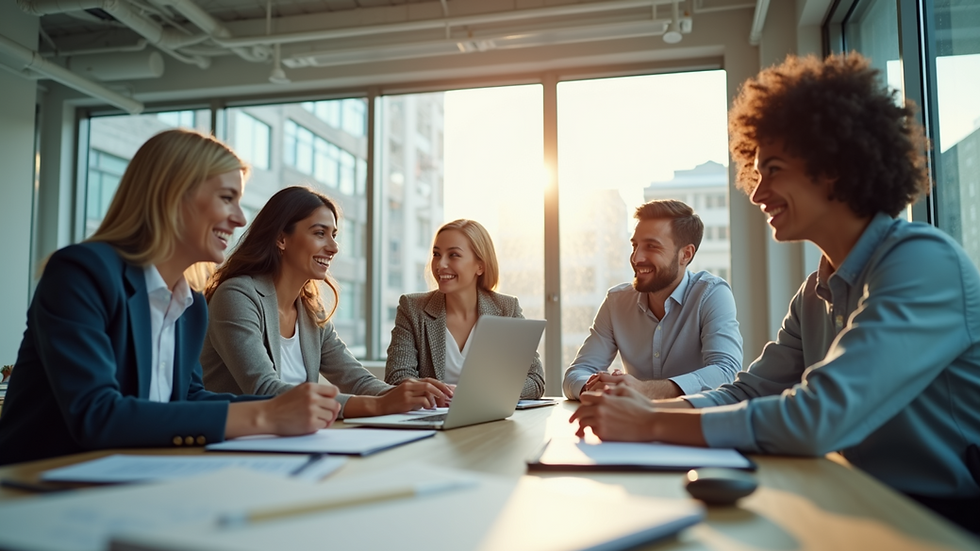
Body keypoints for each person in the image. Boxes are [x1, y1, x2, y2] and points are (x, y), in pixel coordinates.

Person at [569, 53, 980, 532]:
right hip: (858, 499)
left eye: (775, 170)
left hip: (946, 520)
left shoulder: (923, 262)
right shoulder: (814, 293)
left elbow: (816, 416)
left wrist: (649, 422)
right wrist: (643, 409)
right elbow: (750, 389)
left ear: (835, 166)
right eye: (758, 172)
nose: (758, 192)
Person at [0, 129, 341, 466]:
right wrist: (265, 415)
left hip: (137, 477)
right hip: (38, 488)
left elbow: (187, 399)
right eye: (227, 198)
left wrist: (290, 408)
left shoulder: (190, 307)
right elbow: (97, 413)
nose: (239, 218)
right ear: (173, 195)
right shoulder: (81, 273)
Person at [202, 186, 453, 417]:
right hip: (232, 445)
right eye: (320, 233)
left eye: (334, 235)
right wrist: (378, 404)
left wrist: (411, 394)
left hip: (290, 439)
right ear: (281, 238)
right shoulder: (237, 295)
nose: (333, 247)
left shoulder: (310, 310)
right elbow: (264, 390)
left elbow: (357, 380)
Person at [562, 199, 743, 400]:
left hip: (694, 425)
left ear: (686, 254)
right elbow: (576, 374)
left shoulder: (711, 294)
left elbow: (725, 371)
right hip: (633, 424)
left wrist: (645, 390)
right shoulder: (616, 302)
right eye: (635, 245)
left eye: (651, 246)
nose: (636, 258)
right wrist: (598, 388)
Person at [385, 219, 545, 399]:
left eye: (453, 255)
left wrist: (481, 395)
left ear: (480, 266)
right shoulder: (413, 308)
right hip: (432, 421)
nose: (440, 264)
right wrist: (436, 394)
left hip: (489, 421)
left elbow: (535, 380)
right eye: (436, 254)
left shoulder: (506, 309)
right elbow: (396, 379)